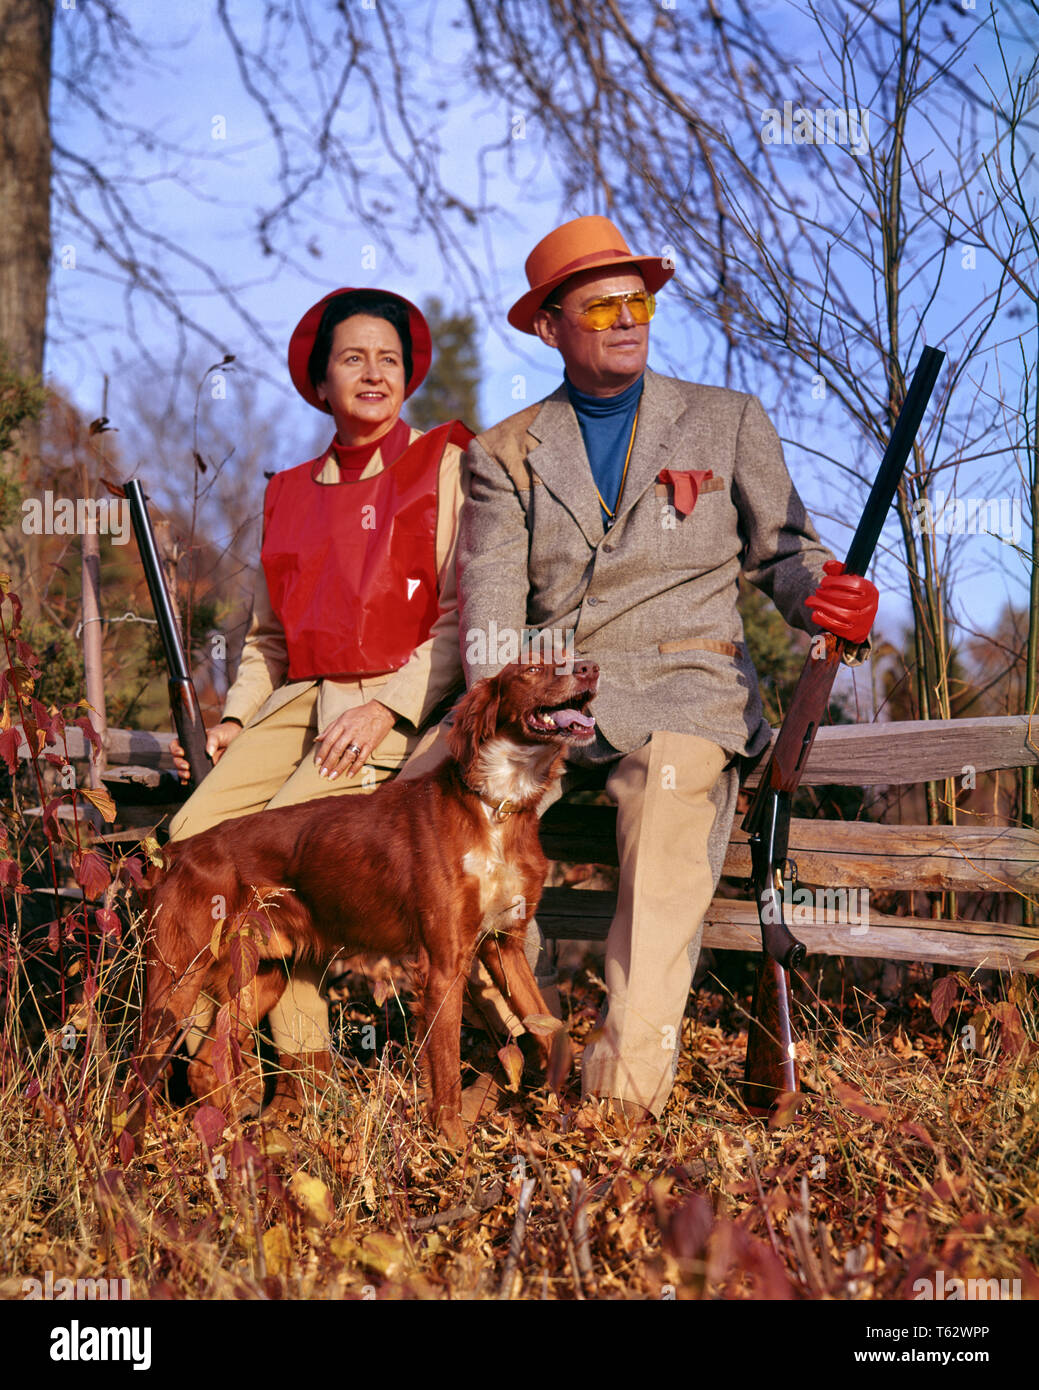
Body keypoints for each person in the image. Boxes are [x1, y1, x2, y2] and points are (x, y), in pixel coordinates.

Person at [456, 216, 878, 1122]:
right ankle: (513, 1058)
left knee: (669, 796)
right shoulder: (501, 454)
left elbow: (786, 556)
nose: (624, 318)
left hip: (688, 690)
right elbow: (491, 623)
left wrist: (828, 599)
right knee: (439, 818)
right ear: (548, 326)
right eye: (599, 303)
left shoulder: (725, 420)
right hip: (551, 696)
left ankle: (619, 1107)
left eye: (637, 299)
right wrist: (503, 729)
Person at [169, 286, 472, 1109]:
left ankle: (299, 1081)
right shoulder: (287, 490)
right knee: (191, 842)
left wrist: (392, 708)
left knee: (283, 866)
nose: (373, 373)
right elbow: (269, 640)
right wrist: (235, 718)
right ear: (321, 378)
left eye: (388, 358)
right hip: (299, 698)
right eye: (352, 357)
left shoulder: (443, 462)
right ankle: (201, 1057)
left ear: (407, 375)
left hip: (386, 702)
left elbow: (455, 615)